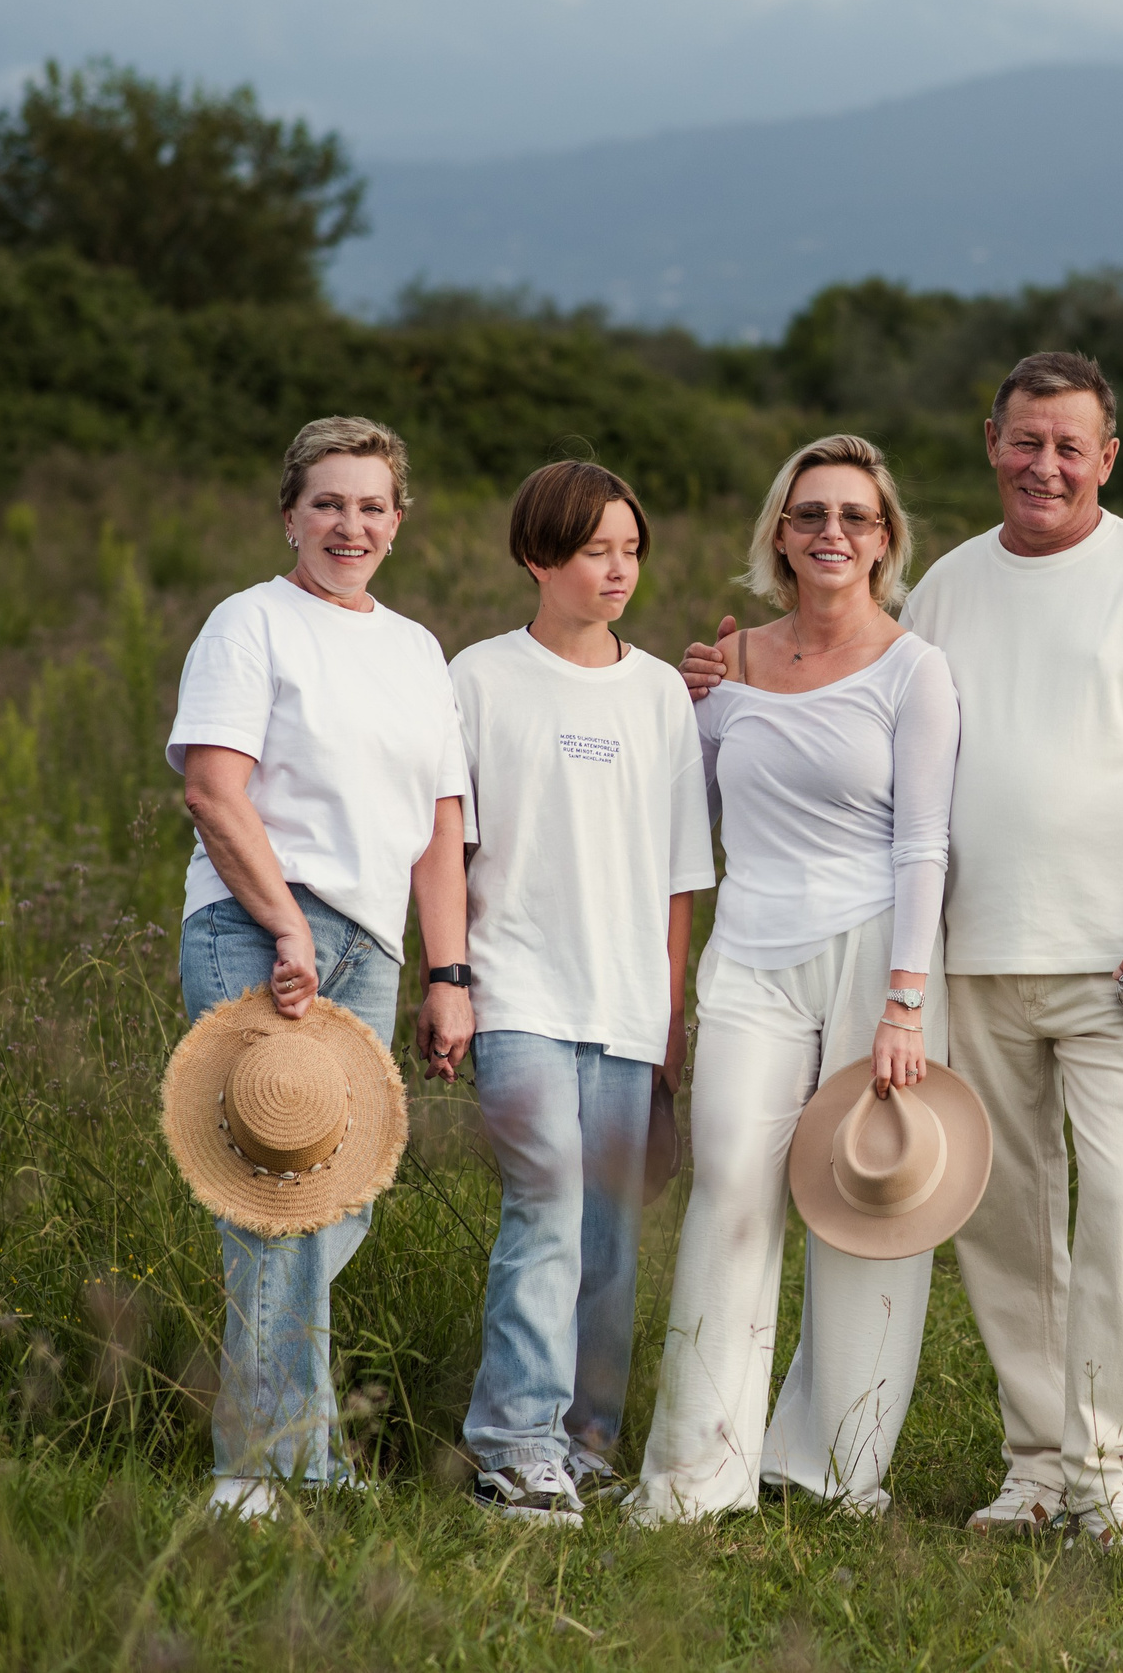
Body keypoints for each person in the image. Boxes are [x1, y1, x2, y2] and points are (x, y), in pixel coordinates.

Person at [682, 353, 1123, 1556]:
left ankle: (1113, 1483)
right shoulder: (945, 581)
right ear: (991, 441)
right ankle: (1037, 1462)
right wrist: (727, 678)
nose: (1044, 464)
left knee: (1121, 1213)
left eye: (1070, 445)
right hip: (972, 956)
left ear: (1108, 457)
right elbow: (859, 685)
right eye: (1024, 440)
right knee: (1000, 1222)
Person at [631, 434, 958, 1523]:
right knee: (731, 1186)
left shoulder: (916, 669)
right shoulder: (728, 668)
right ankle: (695, 1472)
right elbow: (696, 822)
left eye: (855, 516)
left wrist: (904, 998)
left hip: (877, 953)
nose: (831, 532)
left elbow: (924, 844)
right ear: (778, 531)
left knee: (867, 1199)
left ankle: (833, 1463)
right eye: (810, 513)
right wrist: (686, 709)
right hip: (752, 952)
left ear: (885, 539)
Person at [167, 415, 473, 1520]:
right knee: (272, 1196)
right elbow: (214, 788)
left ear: (399, 518)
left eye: (373, 504)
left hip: (371, 944)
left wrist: (452, 972)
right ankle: (266, 1465)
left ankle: (282, 1440)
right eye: (330, 503)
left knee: (330, 1203)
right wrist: (284, 929)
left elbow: (440, 825)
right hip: (260, 929)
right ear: (291, 512)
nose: (352, 524)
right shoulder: (249, 624)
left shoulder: (416, 647)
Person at [451, 461, 715, 1525]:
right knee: (547, 1207)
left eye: (631, 549)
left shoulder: (657, 691)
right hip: (513, 989)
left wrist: (669, 1018)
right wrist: (451, 980)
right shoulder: (476, 677)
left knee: (609, 1232)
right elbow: (447, 846)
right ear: (538, 556)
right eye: (597, 548)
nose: (619, 569)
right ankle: (513, 1448)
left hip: (625, 1003)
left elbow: (677, 874)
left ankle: (585, 1442)